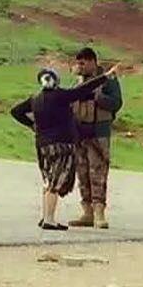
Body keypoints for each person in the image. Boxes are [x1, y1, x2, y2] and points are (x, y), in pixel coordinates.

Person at [10, 64, 120, 230]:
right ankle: (49, 219)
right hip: (62, 145)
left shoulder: (35, 99)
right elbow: (84, 89)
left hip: (42, 146)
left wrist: (33, 125)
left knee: (48, 180)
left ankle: (46, 216)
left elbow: (16, 111)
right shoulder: (61, 96)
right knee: (56, 182)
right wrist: (106, 76)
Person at [69, 48, 122, 229]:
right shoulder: (78, 82)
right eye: (78, 63)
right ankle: (87, 211)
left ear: (93, 62)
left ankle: (99, 212)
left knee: (98, 174)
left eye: (83, 63)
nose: (80, 67)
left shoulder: (108, 80)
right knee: (82, 174)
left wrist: (98, 98)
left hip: (98, 133)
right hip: (80, 134)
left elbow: (116, 103)